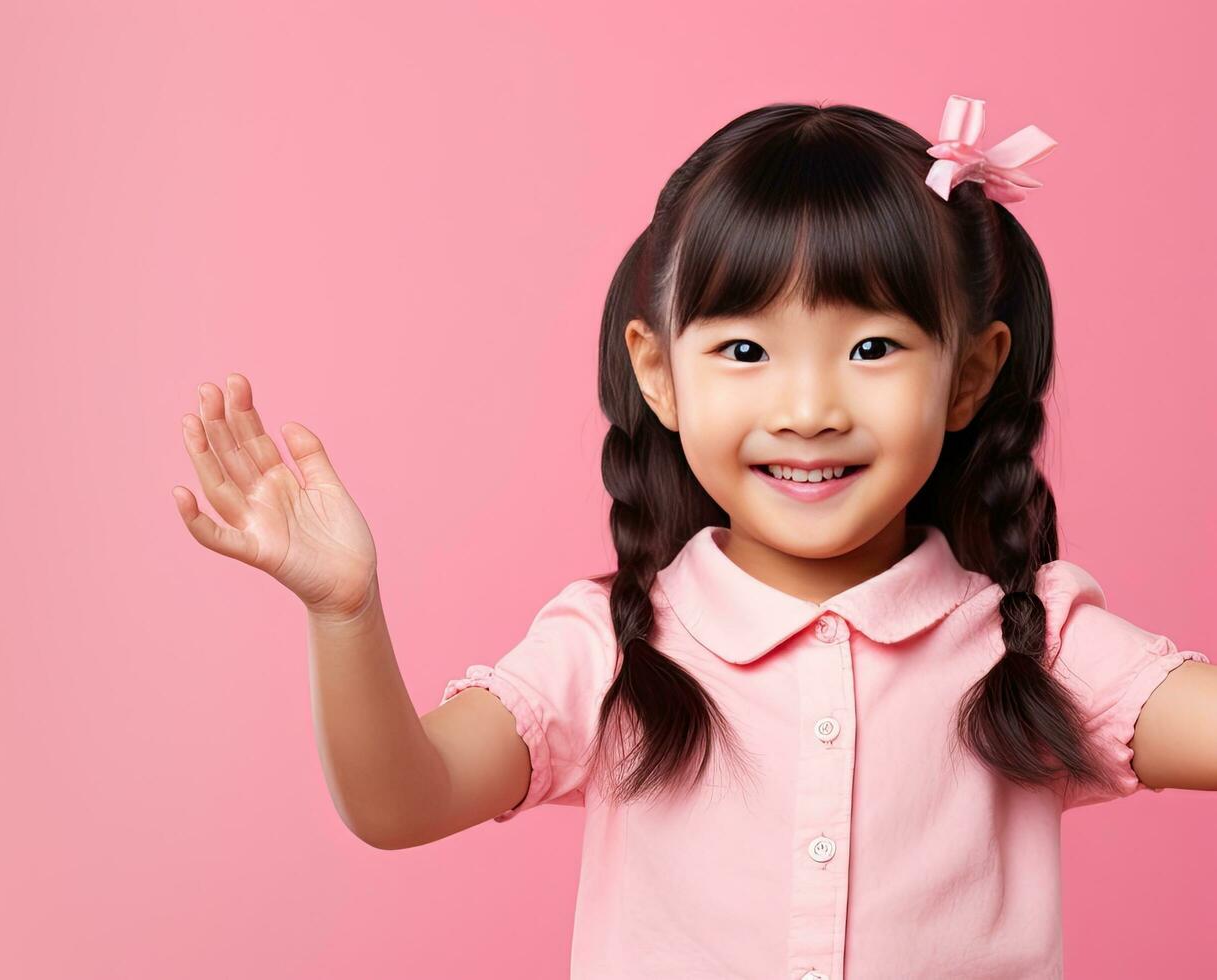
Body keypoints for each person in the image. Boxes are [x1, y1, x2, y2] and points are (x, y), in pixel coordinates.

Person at [168, 95, 1216, 978]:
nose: (806, 405)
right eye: (746, 347)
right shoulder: (610, 646)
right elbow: (404, 801)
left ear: (969, 374)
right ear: (659, 371)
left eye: (868, 345)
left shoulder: (1030, 642)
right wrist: (344, 610)